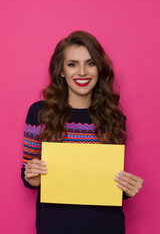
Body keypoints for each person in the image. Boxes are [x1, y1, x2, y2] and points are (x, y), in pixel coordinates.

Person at [21, 30, 143, 234]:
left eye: (91, 63)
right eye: (72, 64)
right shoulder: (40, 113)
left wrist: (127, 189)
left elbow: (104, 180)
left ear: (99, 69)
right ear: (61, 71)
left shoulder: (114, 118)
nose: (82, 72)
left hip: (106, 226)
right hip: (55, 226)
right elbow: (27, 176)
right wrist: (31, 175)